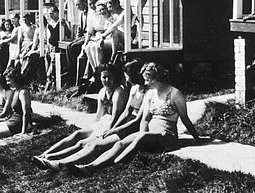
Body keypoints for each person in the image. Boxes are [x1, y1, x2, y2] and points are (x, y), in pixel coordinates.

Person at [69, 62, 202, 176]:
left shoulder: (175, 94)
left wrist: (197, 138)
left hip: (167, 136)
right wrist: (142, 133)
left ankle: (118, 163)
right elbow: (144, 119)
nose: (145, 83)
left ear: (157, 78)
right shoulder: (150, 94)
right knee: (120, 143)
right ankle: (89, 167)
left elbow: (185, 119)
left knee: (140, 138)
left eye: (147, 79)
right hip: (148, 134)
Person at [34, 60, 146, 170]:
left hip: (116, 124)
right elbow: (103, 114)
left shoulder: (119, 92)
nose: (107, 80)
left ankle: (55, 160)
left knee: (83, 143)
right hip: (106, 122)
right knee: (77, 134)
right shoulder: (125, 89)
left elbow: (118, 116)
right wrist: (94, 128)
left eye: (109, 77)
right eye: (104, 77)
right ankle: (45, 154)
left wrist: (110, 130)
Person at [82, 1, 114, 77]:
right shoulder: (105, 19)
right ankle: (96, 70)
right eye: (100, 11)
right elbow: (90, 31)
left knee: (97, 46)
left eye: (103, 9)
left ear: (107, 8)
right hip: (104, 39)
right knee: (89, 47)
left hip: (112, 40)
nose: (102, 12)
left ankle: (99, 71)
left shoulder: (112, 18)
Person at [44, 5, 71, 90]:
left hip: (57, 47)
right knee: (48, 62)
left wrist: (64, 26)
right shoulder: (50, 23)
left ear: (57, 13)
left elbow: (68, 34)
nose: (50, 15)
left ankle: (50, 83)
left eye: (52, 13)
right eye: (49, 14)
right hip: (50, 46)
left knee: (53, 64)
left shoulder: (61, 22)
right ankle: (50, 82)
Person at [65, 0, 89, 80]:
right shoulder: (81, 13)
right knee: (68, 46)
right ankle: (71, 71)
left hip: (89, 36)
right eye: (76, 5)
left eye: (79, 4)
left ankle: (75, 72)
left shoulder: (89, 12)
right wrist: (77, 37)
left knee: (73, 47)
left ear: (84, 3)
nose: (77, 7)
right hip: (83, 36)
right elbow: (80, 28)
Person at [18, 13, 43, 85]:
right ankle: (23, 72)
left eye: (26, 20)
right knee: (24, 56)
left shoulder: (34, 27)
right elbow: (20, 39)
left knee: (30, 57)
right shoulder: (22, 28)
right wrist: (19, 51)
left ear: (29, 19)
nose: (25, 21)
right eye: (24, 20)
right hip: (25, 45)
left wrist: (32, 48)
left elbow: (35, 41)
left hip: (33, 44)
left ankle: (26, 76)